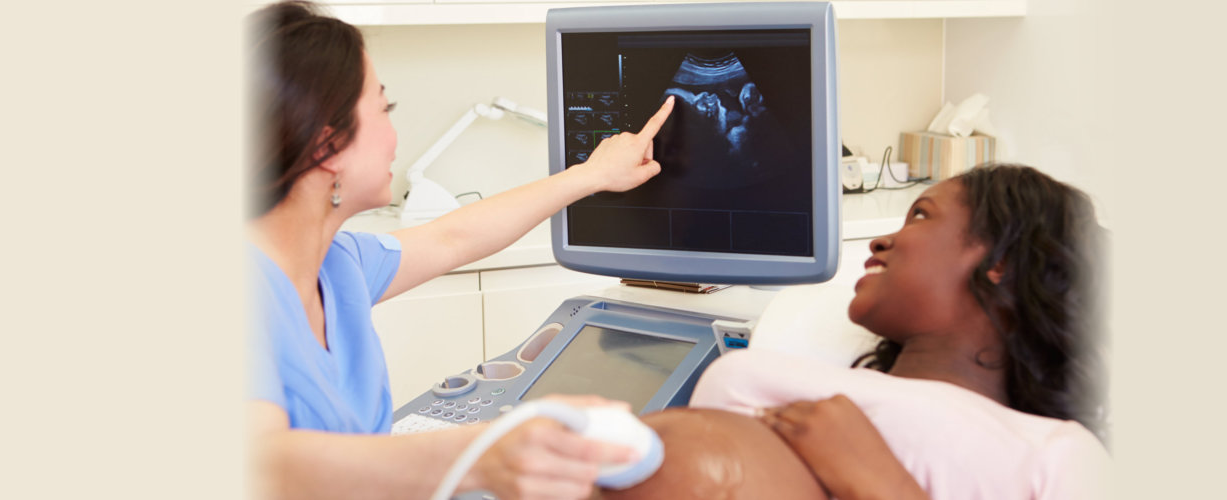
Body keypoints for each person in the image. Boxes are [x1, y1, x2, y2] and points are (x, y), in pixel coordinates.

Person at [242, 2, 679, 499]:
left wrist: (592, 175)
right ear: (326, 147)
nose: (393, 135)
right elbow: (259, 463)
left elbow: (455, 237)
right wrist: (482, 454)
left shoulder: (338, 267)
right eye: (384, 109)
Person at [599, 164, 1109, 500]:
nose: (882, 240)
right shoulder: (769, 380)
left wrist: (874, 480)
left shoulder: (1054, 452)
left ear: (1000, 262)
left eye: (921, 215)